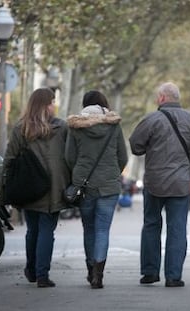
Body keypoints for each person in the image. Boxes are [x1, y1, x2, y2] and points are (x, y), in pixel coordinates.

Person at [129, 82, 190, 288]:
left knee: (151, 225)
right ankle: (173, 276)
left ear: (162, 98)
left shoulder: (151, 119)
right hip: (181, 183)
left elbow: (136, 146)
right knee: (177, 228)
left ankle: (149, 272)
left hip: (154, 182)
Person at [0, 87, 71, 288]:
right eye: (52, 102)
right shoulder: (62, 128)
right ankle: (42, 274)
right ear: (45, 105)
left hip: (28, 186)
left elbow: (9, 160)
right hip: (54, 188)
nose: (54, 106)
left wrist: (2, 190)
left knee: (32, 230)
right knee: (47, 231)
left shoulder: (21, 128)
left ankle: (31, 269)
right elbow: (71, 157)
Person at [66, 90, 128, 289]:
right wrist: (111, 174)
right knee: (102, 229)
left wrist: (79, 174)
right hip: (109, 186)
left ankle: (90, 267)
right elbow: (123, 157)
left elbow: (69, 157)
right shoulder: (113, 126)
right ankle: (98, 275)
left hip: (84, 185)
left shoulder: (76, 128)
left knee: (89, 229)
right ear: (103, 105)